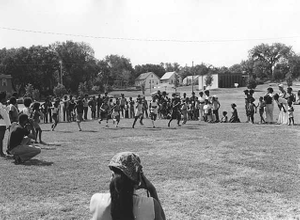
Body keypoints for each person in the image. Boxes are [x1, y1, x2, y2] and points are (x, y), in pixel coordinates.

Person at [90, 151, 166, 220]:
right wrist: (152, 190)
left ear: (112, 176)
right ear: (138, 179)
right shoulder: (151, 205)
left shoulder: (96, 200)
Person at [0, 92, 11, 157]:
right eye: (6, 97)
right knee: (1, 138)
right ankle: (1, 153)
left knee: (1, 138)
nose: (7, 99)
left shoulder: (2, 105)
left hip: (3, 123)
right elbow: (4, 115)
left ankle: (1, 152)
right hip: (1, 124)